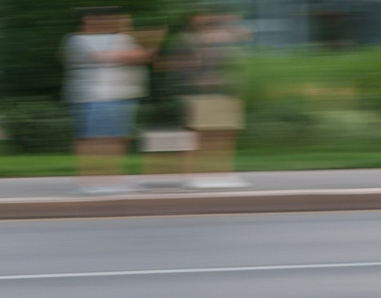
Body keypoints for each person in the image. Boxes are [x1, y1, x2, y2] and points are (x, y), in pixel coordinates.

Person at [63, 10, 160, 194]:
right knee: (97, 140)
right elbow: (108, 57)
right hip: (99, 97)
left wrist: (140, 53)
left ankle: (109, 180)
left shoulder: (120, 39)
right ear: (86, 22)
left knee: (115, 139)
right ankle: (92, 181)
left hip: (118, 97)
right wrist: (142, 53)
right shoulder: (79, 40)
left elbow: (139, 57)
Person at [172, 10, 250, 189]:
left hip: (221, 94)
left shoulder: (218, 41)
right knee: (195, 135)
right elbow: (184, 69)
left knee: (221, 134)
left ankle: (220, 172)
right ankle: (188, 173)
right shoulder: (187, 41)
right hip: (198, 95)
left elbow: (240, 41)